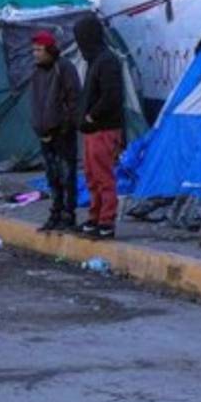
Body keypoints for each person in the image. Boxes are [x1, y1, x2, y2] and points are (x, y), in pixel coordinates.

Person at [74, 16, 124, 240]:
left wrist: (92, 115)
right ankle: (95, 217)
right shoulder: (96, 60)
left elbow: (112, 95)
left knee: (103, 176)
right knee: (92, 176)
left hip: (103, 128)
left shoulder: (106, 61)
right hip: (93, 129)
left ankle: (106, 220)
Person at [29, 30, 81, 232]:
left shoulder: (64, 68)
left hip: (62, 133)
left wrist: (66, 126)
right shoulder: (37, 72)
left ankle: (69, 214)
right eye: (34, 50)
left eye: (39, 50)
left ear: (50, 50)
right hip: (44, 133)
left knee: (67, 175)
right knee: (53, 176)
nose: (36, 54)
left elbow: (73, 99)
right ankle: (56, 212)